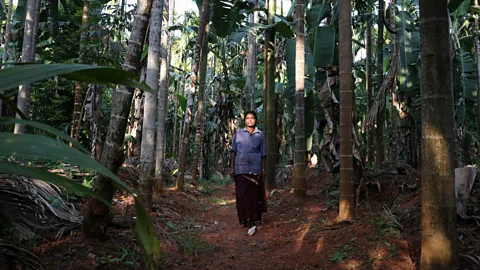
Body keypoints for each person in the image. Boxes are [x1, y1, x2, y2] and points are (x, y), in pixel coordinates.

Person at [230, 111, 267, 228]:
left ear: (256, 120)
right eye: (247, 118)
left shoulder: (260, 135)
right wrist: (232, 167)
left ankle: (255, 218)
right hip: (241, 168)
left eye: (252, 118)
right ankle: (244, 219)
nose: (250, 120)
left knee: (255, 195)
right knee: (242, 195)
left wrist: (263, 168)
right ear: (244, 120)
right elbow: (234, 152)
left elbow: (263, 154)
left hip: (255, 168)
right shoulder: (239, 134)